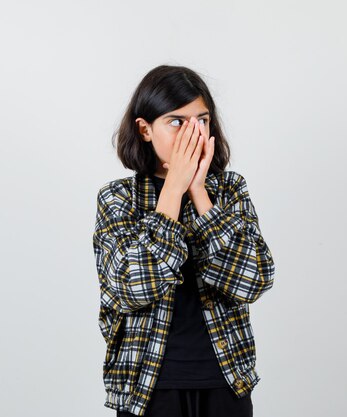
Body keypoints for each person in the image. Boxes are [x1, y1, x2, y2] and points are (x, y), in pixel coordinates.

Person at [92, 65, 275, 417]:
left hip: (225, 380)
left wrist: (199, 193)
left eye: (201, 120)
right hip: (146, 387)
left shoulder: (229, 190)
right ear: (145, 129)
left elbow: (253, 281)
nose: (192, 132)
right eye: (177, 121)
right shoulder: (117, 199)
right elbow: (131, 287)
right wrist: (173, 189)